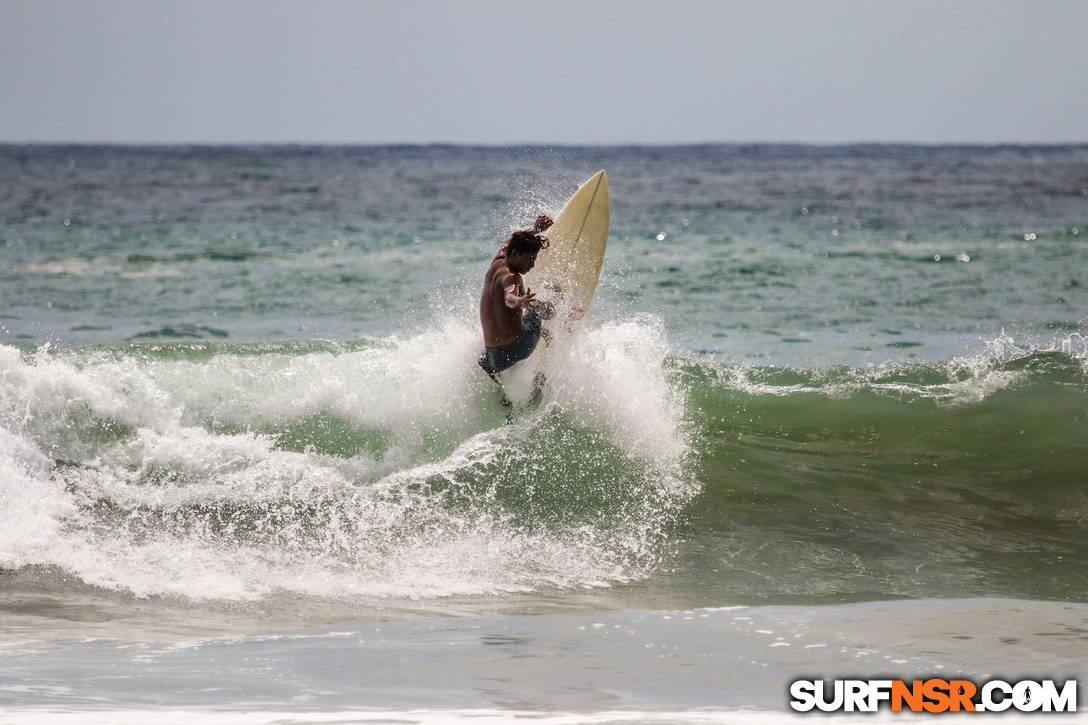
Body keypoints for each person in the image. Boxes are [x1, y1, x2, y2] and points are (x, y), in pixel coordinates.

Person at [478, 215, 554, 380]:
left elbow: (512, 238)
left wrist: (534, 231)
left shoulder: (498, 260)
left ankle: (505, 395)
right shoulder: (512, 277)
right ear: (515, 253)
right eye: (530, 259)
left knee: (485, 364)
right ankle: (550, 330)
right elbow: (509, 297)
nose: (532, 265)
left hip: (493, 357)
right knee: (539, 307)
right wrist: (520, 300)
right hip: (518, 348)